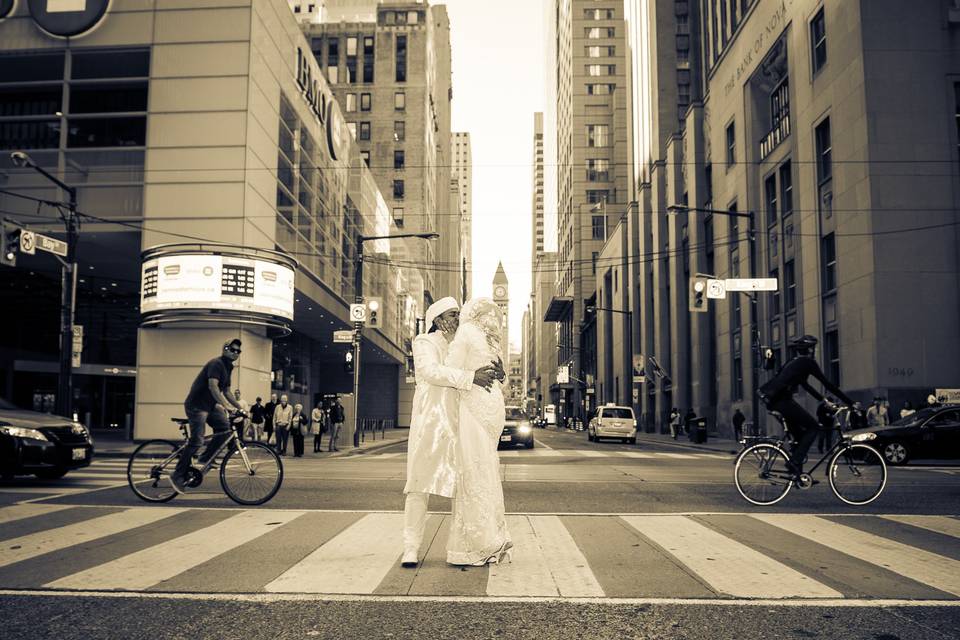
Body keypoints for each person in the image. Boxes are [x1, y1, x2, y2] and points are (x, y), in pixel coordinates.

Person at [401, 296, 501, 568]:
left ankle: (467, 546)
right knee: (419, 485)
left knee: (466, 487)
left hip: (461, 424)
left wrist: (497, 372)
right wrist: (470, 377)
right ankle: (411, 547)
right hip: (431, 425)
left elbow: (483, 370)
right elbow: (431, 372)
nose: (458, 319)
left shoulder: (464, 341)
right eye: (452, 315)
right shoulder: (425, 342)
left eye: (459, 314)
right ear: (438, 320)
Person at [445, 297, 513, 567]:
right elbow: (453, 371)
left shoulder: (479, 337)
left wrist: (499, 375)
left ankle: (486, 539)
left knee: (481, 472)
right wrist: (479, 375)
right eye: (489, 314)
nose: (493, 319)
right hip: (481, 409)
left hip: (484, 409)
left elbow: (498, 380)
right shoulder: (478, 336)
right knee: (480, 472)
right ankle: (484, 539)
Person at [758, 334, 854, 474]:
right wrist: (851, 402)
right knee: (814, 427)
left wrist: (823, 400)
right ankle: (794, 463)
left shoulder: (794, 361)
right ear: (810, 349)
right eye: (814, 348)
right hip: (783, 401)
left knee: (800, 436)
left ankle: (797, 475)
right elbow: (828, 384)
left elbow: (805, 385)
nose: (814, 350)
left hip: (774, 401)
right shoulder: (808, 362)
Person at [170, 339, 247, 494]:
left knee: (225, 428)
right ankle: (177, 475)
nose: (235, 353)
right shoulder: (216, 363)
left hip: (210, 406)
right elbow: (213, 386)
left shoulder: (228, 367)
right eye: (232, 349)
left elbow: (226, 391)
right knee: (197, 440)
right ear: (225, 349)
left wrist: (241, 408)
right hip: (197, 405)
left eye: (238, 351)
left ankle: (205, 458)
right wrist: (226, 406)